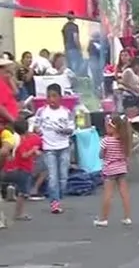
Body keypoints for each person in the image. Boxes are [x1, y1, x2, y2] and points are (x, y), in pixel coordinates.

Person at [33, 83, 75, 214]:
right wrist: (37, 130)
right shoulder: (42, 111)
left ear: (60, 97)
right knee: (52, 176)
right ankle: (54, 202)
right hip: (48, 148)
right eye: (49, 96)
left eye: (54, 96)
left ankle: (59, 195)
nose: (51, 99)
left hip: (64, 147)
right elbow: (35, 125)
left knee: (63, 177)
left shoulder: (66, 112)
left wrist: (64, 130)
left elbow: (71, 129)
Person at [94, 114, 133, 227]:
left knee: (108, 194)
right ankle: (127, 217)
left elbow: (101, 155)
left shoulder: (106, 141)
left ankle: (104, 218)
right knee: (124, 193)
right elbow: (126, 155)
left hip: (110, 169)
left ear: (112, 127)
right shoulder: (124, 141)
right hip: (122, 168)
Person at [3, 120, 40, 221]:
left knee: (22, 192)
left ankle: (11, 190)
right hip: (23, 169)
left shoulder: (17, 140)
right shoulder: (23, 142)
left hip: (20, 168)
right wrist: (33, 150)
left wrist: (34, 151)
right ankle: (19, 213)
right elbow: (24, 155)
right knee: (23, 193)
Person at [61, 11, 83, 76]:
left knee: (69, 68)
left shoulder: (64, 27)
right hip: (74, 49)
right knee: (76, 68)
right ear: (74, 17)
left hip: (67, 49)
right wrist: (79, 49)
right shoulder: (74, 26)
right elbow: (75, 38)